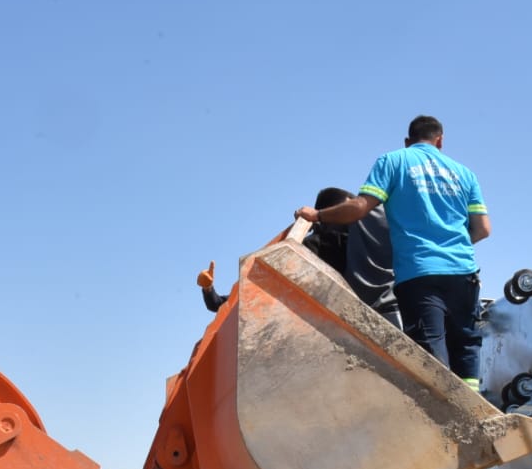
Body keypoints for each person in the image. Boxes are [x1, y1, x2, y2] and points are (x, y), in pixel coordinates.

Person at [298, 115, 489, 390]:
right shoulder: (465, 173)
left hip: (420, 272)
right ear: (441, 141)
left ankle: (445, 414)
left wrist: (316, 215)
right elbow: (483, 228)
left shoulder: (394, 161)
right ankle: (474, 409)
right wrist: (450, 245)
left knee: (430, 353)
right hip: (464, 272)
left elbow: (360, 206)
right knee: (466, 345)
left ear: (407, 141)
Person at [196, 187, 363, 314]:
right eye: (344, 212)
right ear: (326, 215)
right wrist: (208, 290)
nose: (353, 219)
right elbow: (236, 301)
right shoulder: (304, 251)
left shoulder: (366, 246)